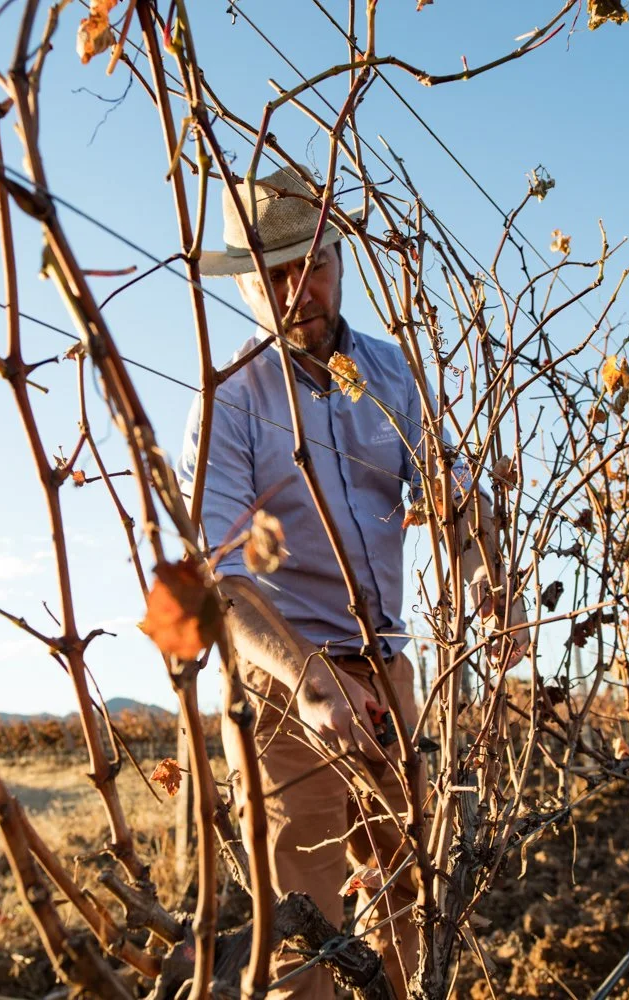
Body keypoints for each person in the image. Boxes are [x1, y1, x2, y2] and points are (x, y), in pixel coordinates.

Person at [179, 166, 526, 1000]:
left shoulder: (393, 371)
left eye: (317, 263)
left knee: (410, 895)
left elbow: (452, 497)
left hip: (387, 669)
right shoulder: (228, 399)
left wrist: (489, 578)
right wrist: (308, 680)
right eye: (277, 274)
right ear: (248, 291)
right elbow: (221, 580)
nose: (302, 288)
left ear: (341, 257)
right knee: (304, 928)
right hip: (281, 688)